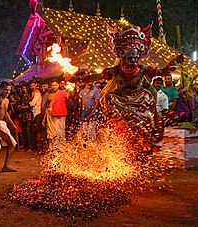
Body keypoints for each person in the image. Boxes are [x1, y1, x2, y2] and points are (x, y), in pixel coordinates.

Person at [73, 24, 183, 152]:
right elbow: (96, 77)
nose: (133, 61)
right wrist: (79, 79)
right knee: (112, 106)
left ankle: (146, 143)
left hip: (140, 104)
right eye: (129, 58)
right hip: (121, 103)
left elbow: (163, 71)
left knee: (146, 128)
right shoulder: (115, 70)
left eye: (136, 58)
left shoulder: (143, 69)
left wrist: (173, 63)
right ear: (123, 57)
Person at [43, 80, 68, 150]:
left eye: (55, 85)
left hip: (61, 114)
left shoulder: (63, 92)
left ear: (58, 85)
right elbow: (47, 107)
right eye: (52, 85)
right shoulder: (49, 95)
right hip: (52, 114)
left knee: (61, 131)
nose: (54, 87)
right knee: (53, 132)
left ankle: (61, 148)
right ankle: (54, 148)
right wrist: (44, 119)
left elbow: (69, 98)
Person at [29, 80, 43, 151]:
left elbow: (32, 104)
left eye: (33, 85)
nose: (32, 87)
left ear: (36, 85)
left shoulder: (37, 93)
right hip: (35, 113)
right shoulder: (33, 93)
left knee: (38, 132)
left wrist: (28, 104)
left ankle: (40, 148)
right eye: (31, 86)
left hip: (38, 113)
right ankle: (38, 148)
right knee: (35, 131)